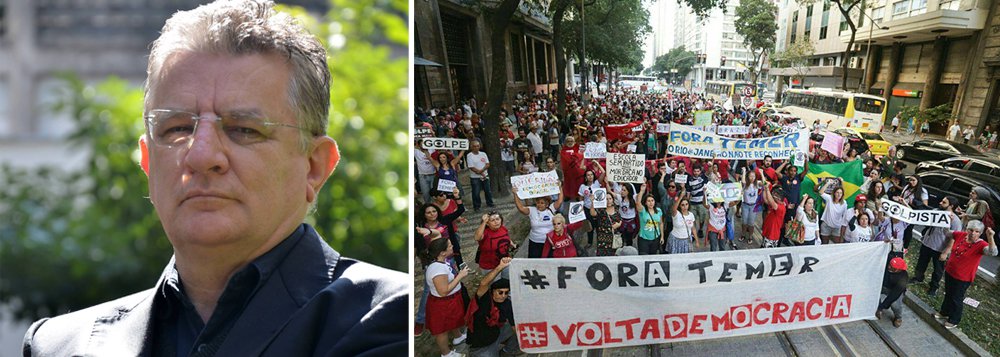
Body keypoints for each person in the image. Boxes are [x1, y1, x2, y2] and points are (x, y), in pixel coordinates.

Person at [23, 2, 407, 355]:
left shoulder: (391, 319)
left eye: (244, 129)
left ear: (314, 166)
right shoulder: (57, 346)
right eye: (176, 128)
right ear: (148, 161)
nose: (202, 156)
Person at [936, 222, 997, 329]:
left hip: (963, 277)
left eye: (977, 231)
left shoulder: (981, 245)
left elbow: (993, 252)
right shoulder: (960, 235)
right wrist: (947, 221)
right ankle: (944, 312)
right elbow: (946, 232)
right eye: (971, 230)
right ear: (966, 229)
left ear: (980, 233)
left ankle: (954, 319)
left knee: (956, 298)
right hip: (950, 271)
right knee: (948, 293)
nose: (973, 233)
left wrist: (990, 237)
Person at [425, 239, 471, 357]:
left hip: (451, 300)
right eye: (450, 246)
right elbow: (443, 291)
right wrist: (460, 276)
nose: (452, 246)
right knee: (442, 330)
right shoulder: (437, 269)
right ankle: (446, 353)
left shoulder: (442, 261)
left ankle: (458, 336)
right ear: (442, 252)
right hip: (442, 303)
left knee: (452, 321)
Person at [466, 259, 519, 357]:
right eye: (500, 292)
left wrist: (526, 340)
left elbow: (513, 325)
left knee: (521, 329)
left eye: (506, 293)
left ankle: (507, 351)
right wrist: (500, 267)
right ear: (493, 291)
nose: (503, 296)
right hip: (482, 342)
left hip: (497, 333)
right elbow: (484, 283)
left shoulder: (507, 303)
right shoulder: (484, 299)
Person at [912, 196, 962, 297]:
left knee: (937, 270)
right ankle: (918, 278)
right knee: (921, 263)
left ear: (951, 206)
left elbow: (954, 237)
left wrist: (946, 252)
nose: (940, 203)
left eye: (944, 202)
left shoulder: (955, 221)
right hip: (927, 243)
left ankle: (933, 287)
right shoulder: (936, 211)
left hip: (940, 248)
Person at [512, 185, 564, 258]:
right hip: (535, 242)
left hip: (550, 241)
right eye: (538, 202)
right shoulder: (531, 210)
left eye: (542, 203)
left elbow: (560, 201)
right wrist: (515, 194)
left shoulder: (551, 209)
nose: (539, 205)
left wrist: (560, 187)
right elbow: (520, 208)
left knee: (550, 261)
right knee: (534, 261)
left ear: (547, 204)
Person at [473, 211, 515, 279]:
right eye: (492, 220)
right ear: (488, 223)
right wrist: (484, 222)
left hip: (505, 262)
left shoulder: (503, 228)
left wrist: (512, 244)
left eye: (497, 219)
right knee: (495, 285)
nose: (496, 222)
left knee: (508, 282)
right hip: (490, 267)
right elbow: (477, 237)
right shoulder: (485, 233)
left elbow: (506, 238)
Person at [877, 257, 909, 328]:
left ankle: (898, 317)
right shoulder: (885, 267)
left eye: (892, 267)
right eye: (889, 265)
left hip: (894, 291)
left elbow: (894, 295)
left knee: (895, 304)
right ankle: (875, 307)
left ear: (898, 270)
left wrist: (882, 307)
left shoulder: (903, 278)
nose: (889, 267)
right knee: (874, 293)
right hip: (883, 286)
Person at [466, 139, 495, 212]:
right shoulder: (469, 155)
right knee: (476, 192)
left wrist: (482, 170)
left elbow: (487, 164)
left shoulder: (483, 154)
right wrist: (480, 172)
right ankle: (477, 206)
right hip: (475, 177)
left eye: (477, 146)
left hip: (485, 175)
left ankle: (490, 203)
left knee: (487, 190)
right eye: (474, 146)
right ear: (471, 147)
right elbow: (471, 167)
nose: (476, 148)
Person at [817, 178, 849, 244]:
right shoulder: (829, 199)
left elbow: (844, 216)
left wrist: (842, 182)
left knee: (837, 245)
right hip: (826, 225)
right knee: (824, 244)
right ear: (834, 193)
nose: (839, 194)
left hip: (837, 227)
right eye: (837, 192)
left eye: (840, 193)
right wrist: (828, 183)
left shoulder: (844, 203)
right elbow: (820, 192)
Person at [636, 184, 664, 254]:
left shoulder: (659, 210)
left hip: (655, 238)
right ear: (645, 203)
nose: (651, 203)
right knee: (644, 257)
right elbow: (638, 203)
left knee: (652, 257)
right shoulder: (643, 211)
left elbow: (661, 223)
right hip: (644, 239)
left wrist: (662, 236)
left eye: (652, 200)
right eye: (648, 201)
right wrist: (642, 191)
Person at [669, 187, 698, 254]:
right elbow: (674, 209)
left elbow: (693, 228)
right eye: (682, 205)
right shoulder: (676, 214)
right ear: (679, 206)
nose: (685, 207)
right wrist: (680, 197)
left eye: (686, 204)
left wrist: (697, 241)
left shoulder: (691, 215)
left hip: (687, 240)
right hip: (676, 240)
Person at [760, 181, 786, 248]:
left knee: (767, 251)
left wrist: (767, 189)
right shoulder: (776, 204)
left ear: (779, 198)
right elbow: (766, 200)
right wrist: (764, 188)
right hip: (767, 231)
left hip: (772, 234)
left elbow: (770, 200)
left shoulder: (780, 207)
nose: (772, 196)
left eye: (774, 195)